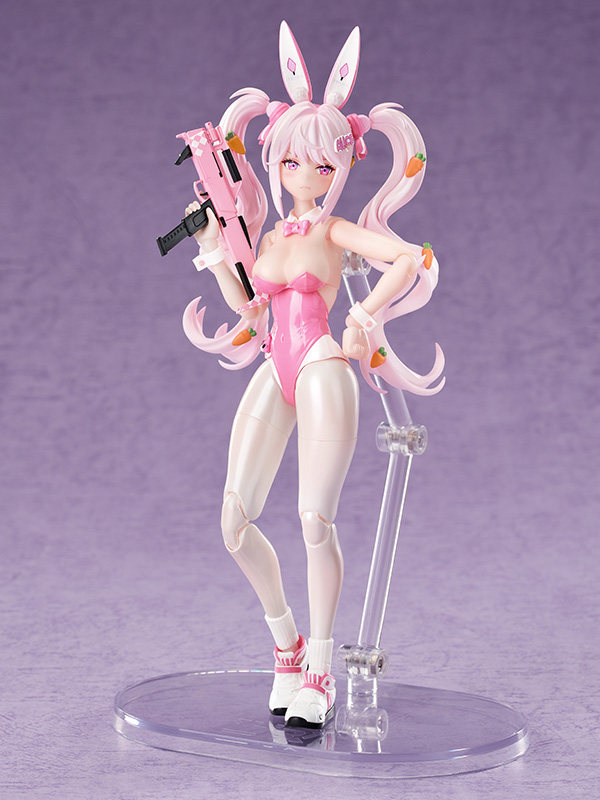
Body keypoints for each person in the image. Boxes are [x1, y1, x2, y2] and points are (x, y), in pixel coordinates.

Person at [182, 21, 444, 729]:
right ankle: (287, 647)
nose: (305, 175)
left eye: (322, 165)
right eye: (294, 161)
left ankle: (322, 670)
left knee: (312, 520)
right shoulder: (270, 236)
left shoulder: (331, 233)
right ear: (276, 162)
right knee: (234, 522)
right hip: (277, 365)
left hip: (324, 366)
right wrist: (212, 248)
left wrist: (365, 316)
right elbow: (249, 307)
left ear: (341, 167)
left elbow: (407, 259)